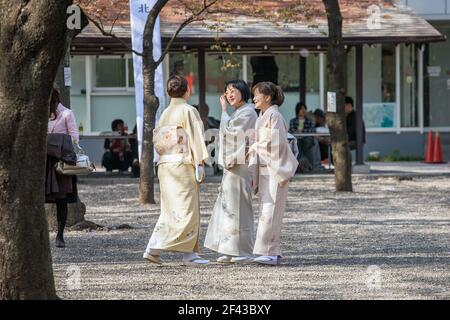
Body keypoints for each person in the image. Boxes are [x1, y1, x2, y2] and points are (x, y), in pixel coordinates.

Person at [143, 75, 210, 265]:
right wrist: (200, 163)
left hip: (165, 165)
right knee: (187, 208)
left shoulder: (165, 113)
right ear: (187, 90)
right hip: (183, 163)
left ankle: (153, 248)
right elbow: (196, 137)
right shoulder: (188, 110)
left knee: (170, 209)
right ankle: (188, 253)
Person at [204, 80, 257, 264]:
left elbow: (230, 132)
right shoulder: (240, 112)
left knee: (240, 207)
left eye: (233, 90)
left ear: (243, 92)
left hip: (241, 165)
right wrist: (226, 112)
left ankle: (244, 250)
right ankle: (229, 248)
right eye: (227, 91)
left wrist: (224, 111)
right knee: (228, 206)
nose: (229, 94)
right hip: (233, 165)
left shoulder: (248, 112)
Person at [247, 82, 298, 265]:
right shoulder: (264, 116)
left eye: (257, 95)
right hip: (266, 168)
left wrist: (256, 145)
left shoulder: (274, 115)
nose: (253, 98)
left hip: (275, 168)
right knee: (266, 210)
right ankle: (268, 250)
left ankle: (270, 251)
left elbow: (277, 142)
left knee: (271, 210)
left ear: (267, 97)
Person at [47, 88, 80, 248]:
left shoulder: (66, 114)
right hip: (44, 162)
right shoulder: (41, 114)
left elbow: (74, 138)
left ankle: (60, 235)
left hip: (61, 162)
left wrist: (55, 142)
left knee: (62, 200)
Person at [289, 102, 315, 173]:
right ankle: (305, 161)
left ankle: (303, 161)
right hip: (297, 138)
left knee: (306, 141)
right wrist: (299, 133)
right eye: (301, 109)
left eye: (304, 109)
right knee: (296, 142)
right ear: (298, 110)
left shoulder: (309, 121)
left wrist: (301, 132)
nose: (303, 111)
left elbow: (311, 131)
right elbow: (291, 131)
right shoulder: (293, 121)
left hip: (306, 138)